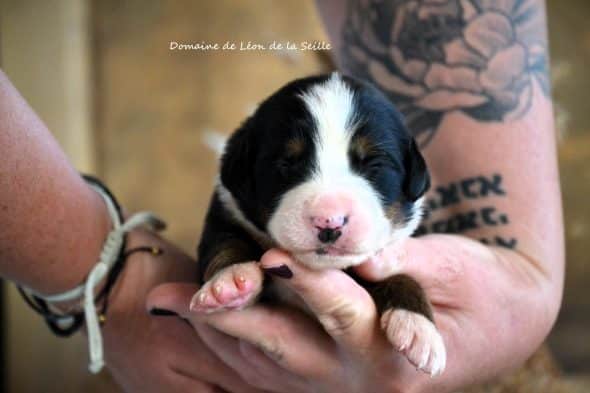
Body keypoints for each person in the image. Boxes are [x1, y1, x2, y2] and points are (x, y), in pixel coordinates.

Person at [0, 0, 563, 392]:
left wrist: (518, 286)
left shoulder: (412, 208)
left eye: (372, 165)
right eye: (290, 167)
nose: (329, 210)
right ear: (244, 173)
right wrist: (113, 282)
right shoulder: (239, 202)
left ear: (413, 175)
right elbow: (224, 237)